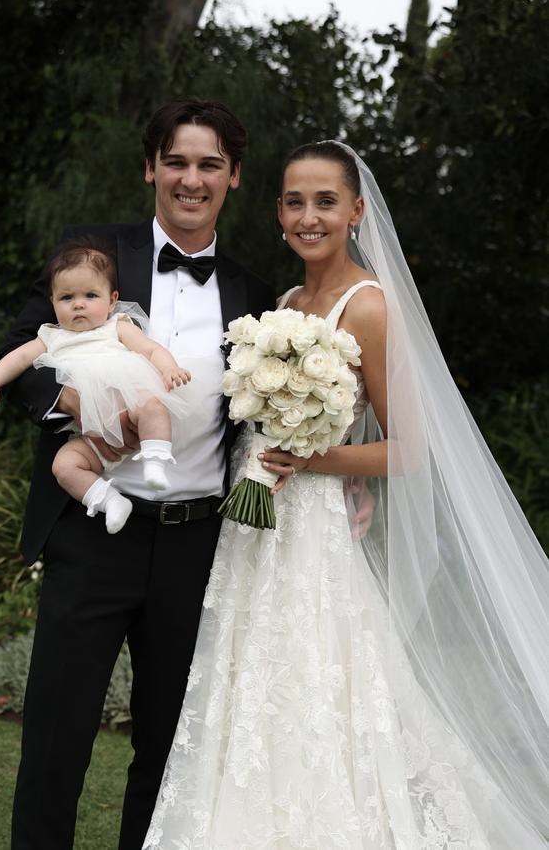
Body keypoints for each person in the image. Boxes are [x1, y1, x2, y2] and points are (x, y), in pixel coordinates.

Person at [143, 142, 549, 848]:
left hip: (314, 534)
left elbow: (410, 447)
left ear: (357, 210)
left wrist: (323, 459)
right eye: (295, 201)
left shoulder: (369, 307)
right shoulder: (286, 304)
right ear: (276, 212)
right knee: (251, 686)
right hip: (255, 525)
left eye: (326, 201)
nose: (309, 216)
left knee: (315, 685)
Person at [2, 98, 275, 850]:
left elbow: (259, 420)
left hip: (196, 543)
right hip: (95, 528)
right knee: (57, 739)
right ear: (151, 167)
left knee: (168, 748)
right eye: (177, 161)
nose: (192, 179)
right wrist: (75, 402)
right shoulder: (93, 257)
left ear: (235, 177)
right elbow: (22, 351)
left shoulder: (256, 294)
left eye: (210, 164)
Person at [0, 239, 193, 534]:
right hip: (91, 433)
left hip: (129, 405)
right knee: (63, 466)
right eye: (66, 298)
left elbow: (150, 350)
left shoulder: (117, 326)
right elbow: (19, 357)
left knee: (152, 406)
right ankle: (110, 501)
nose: (78, 304)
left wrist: (169, 369)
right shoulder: (50, 336)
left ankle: (155, 461)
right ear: (52, 302)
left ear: (112, 299)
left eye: (90, 295)